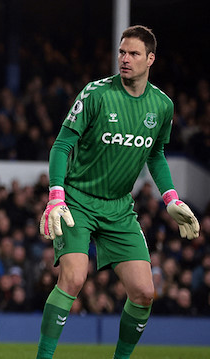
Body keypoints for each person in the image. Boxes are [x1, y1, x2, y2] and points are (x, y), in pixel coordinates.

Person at [36, 25, 200, 359]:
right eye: (122, 52)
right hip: (77, 202)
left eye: (134, 54)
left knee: (144, 293)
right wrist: (56, 195)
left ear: (150, 59)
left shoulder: (162, 106)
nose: (124, 59)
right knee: (74, 278)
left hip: (119, 209)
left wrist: (171, 198)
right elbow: (62, 144)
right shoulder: (96, 93)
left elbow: (155, 154)